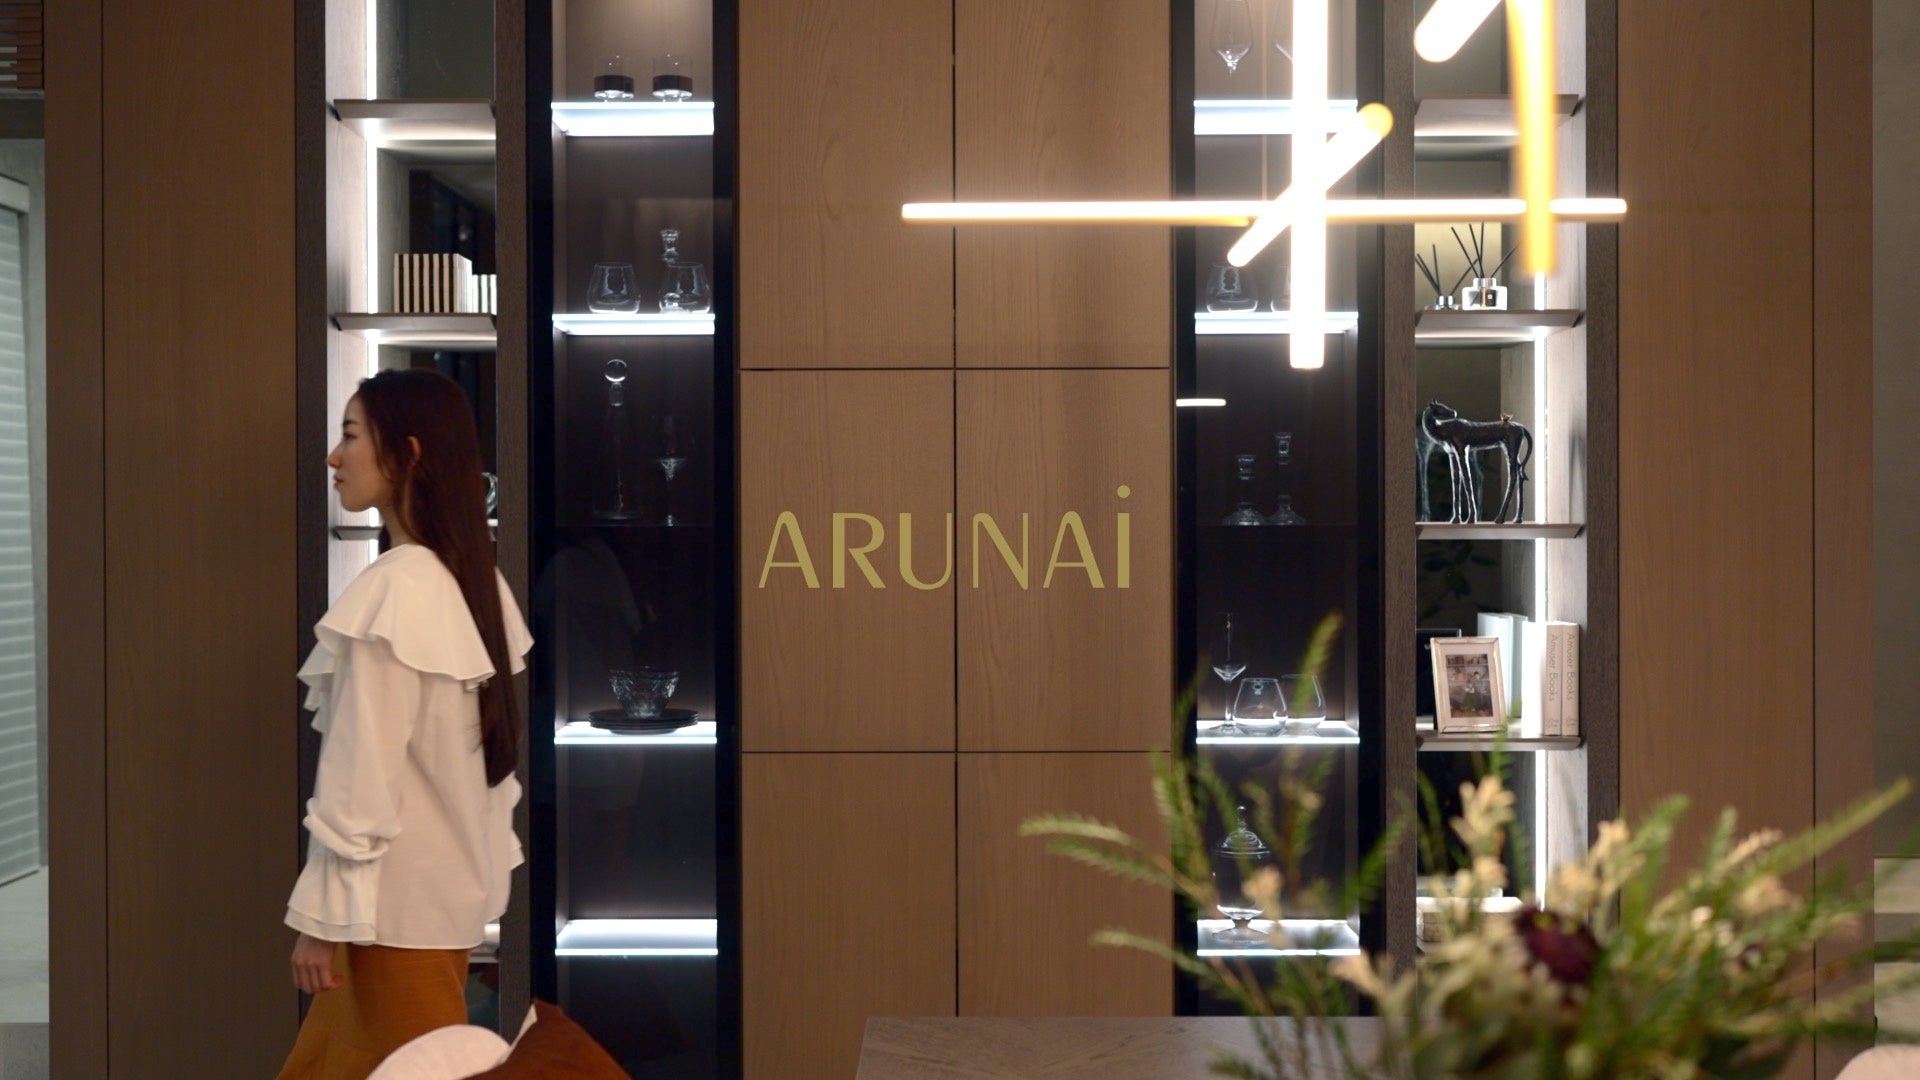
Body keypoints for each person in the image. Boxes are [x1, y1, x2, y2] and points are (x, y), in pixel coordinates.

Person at [277, 369, 532, 1080]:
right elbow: (485, 780)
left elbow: (360, 778)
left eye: (351, 436)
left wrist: (320, 918)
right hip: (430, 910)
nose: (334, 457)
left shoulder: (398, 588)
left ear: (408, 453)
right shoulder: (467, 580)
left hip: (387, 919)